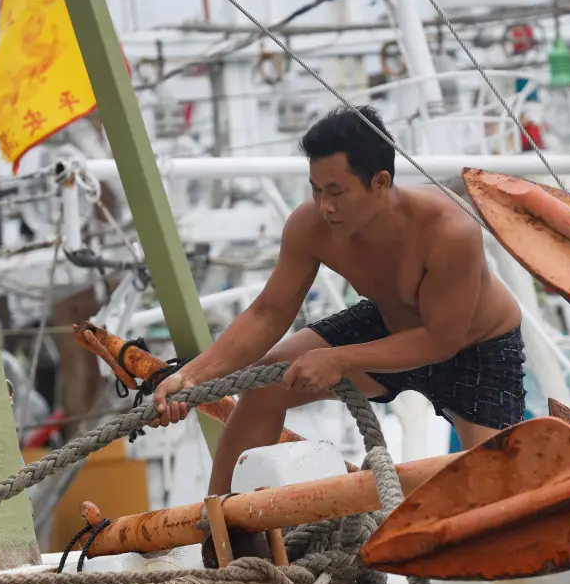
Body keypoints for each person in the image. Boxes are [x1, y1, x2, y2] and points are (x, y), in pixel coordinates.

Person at [151, 104, 526, 495]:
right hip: (389, 326)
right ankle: (222, 523)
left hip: (476, 348)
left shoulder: (449, 230)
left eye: (336, 192)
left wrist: (340, 358)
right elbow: (267, 314)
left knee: (498, 491)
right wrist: (191, 377)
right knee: (267, 382)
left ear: (380, 182)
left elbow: (441, 340)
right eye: (316, 189)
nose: (324, 205)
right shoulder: (310, 226)